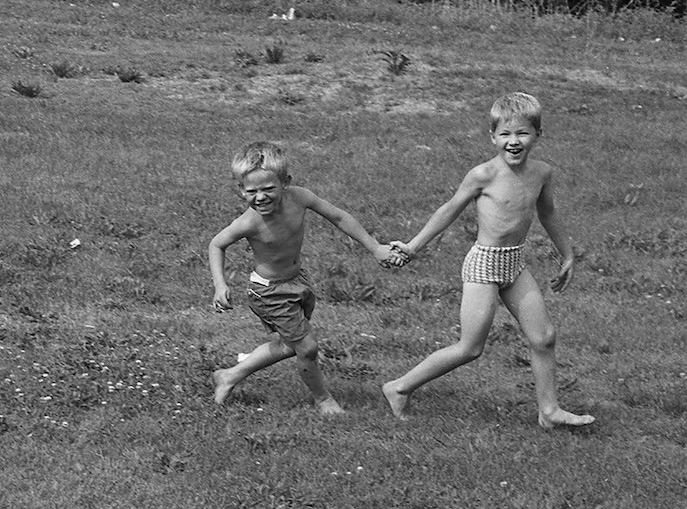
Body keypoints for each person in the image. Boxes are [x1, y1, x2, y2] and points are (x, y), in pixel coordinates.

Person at [382, 94, 593, 429]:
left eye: (522, 133)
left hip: (515, 263)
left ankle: (549, 410)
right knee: (470, 348)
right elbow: (448, 210)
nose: (513, 141)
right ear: (492, 136)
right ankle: (399, 387)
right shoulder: (483, 174)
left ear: (538, 134)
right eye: (505, 134)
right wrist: (412, 246)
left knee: (544, 338)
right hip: (483, 265)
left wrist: (566, 253)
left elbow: (548, 212)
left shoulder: (542, 173)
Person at [207, 141, 398, 415]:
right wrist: (220, 285)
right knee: (306, 347)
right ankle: (324, 401)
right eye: (251, 191)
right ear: (241, 190)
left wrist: (376, 248)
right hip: (269, 292)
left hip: (298, 282)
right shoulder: (249, 222)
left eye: (268, 188)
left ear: (285, 182)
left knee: (289, 344)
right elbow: (216, 244)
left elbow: (339, 217)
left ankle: (229, 376)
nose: (260, 197)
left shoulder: (300, 198)